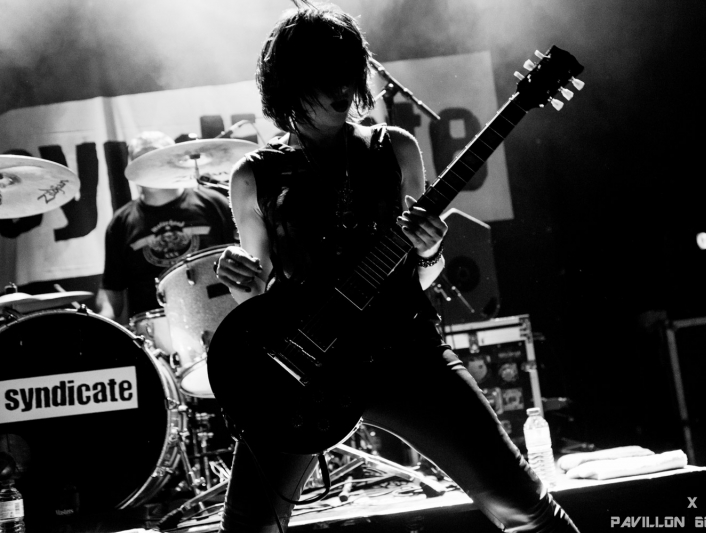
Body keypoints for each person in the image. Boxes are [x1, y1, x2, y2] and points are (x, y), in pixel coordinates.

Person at [212, 3, 580, 532]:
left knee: (523, 504)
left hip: (405, 351)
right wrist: (244, 282)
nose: (343, 86)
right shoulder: (254, 177)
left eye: (349, 70)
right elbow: (263, 301)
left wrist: (428, 251)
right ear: (290, 82)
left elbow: (421, 276)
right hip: (309, 372)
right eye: (325, 75)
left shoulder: (394, 149)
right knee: (248, 529)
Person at [96, 131, 237, 323]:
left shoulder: (214, 203)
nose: (149, 166)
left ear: (176, 161)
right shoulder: (120, 223)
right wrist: (100, 323)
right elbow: (112, 290)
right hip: (156, 328)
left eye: (155, 158)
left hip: (220, 317)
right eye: (140, 160)